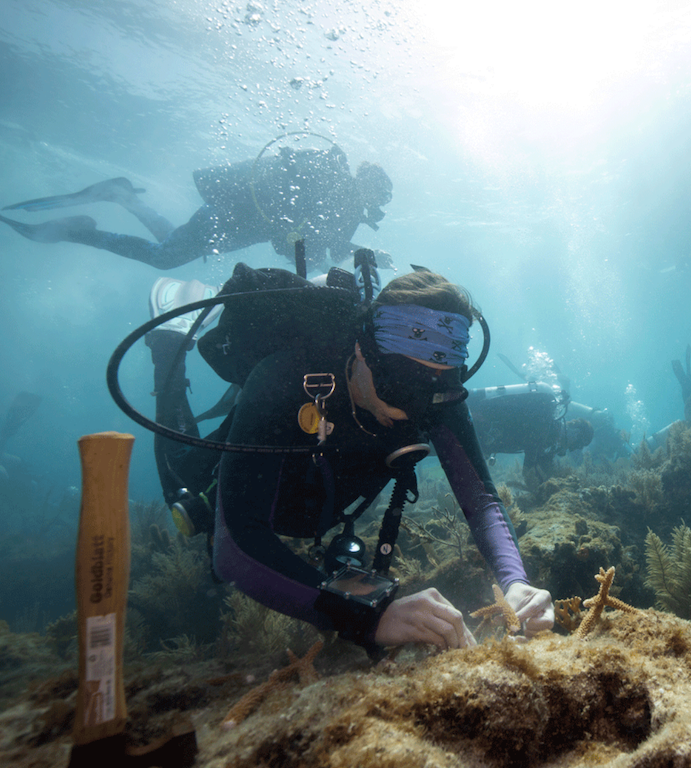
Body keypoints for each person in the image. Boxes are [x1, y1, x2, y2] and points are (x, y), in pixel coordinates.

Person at [142, 267, 553, 655]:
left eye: (437, 389)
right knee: (183, 471)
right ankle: (166, 352)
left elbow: (481, 502)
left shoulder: (435, 396)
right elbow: (235, 548)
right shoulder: (286, 375)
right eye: (399, 386)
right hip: (256, 486)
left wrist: (515, 583)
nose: (412, 411)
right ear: (361, 351)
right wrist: (370, 615)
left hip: (324, 506)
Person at [1, 143, 393, 273]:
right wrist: (298, 242)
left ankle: (125, 198)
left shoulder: (332, 201)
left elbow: (312, 243)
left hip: (229, 223)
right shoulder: (324, 188)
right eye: (376, 199)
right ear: (366, 188)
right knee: (164, 258)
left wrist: (361, 255)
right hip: (229, 218)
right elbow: (285, 234)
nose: (372, 209)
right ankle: (77, 231)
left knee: (171, 243)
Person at [467, 382, 595, 485]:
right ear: (576, 433)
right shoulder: (544, 422)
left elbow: (543, 460)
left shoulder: (548, 436)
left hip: (480, 433)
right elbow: (530, 459)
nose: (571, 449)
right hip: (476, 417)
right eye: (577, 444)